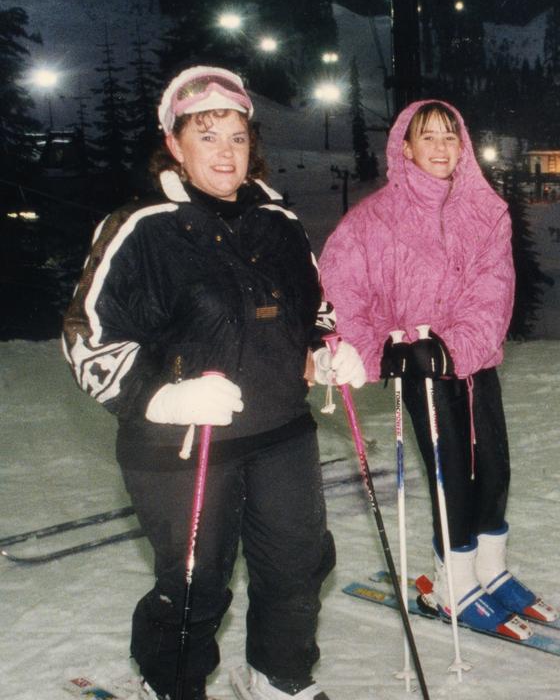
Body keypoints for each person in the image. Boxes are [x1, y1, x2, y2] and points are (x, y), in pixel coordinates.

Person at [62, 65, 364, 700]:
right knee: (195, 582)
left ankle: (278, 677)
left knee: (297, 565)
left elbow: (317, 310)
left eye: (236, 136)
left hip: (282, 430)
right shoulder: (141, 228)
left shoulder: (278, 221)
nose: (226, 151)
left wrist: (328, 349)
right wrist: (159, 395)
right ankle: (169, 684)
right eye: (207, 135)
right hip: (180, 444)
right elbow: (89, 339)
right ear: (174, 144)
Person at [319, 100, 554, 642]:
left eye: (451, 137)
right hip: (419, 367)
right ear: (405, 148)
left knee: (493, 467)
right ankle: (455, 579)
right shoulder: (372, 221)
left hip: (469, 360)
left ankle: (489, 568)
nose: (442, 148)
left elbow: (492, 291)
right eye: (429, 138)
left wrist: (455, 348)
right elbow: (342, 295)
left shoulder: (483, 208)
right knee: (453, 470)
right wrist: (376, 350)